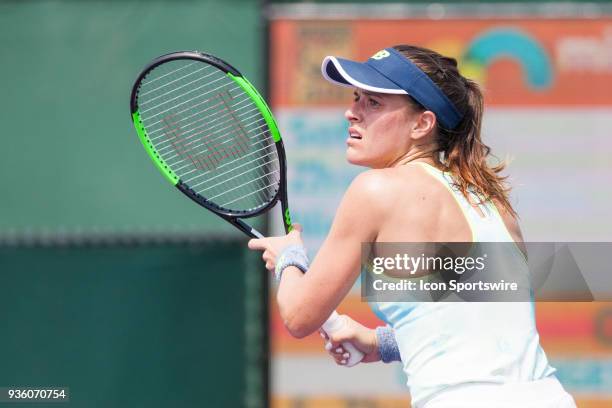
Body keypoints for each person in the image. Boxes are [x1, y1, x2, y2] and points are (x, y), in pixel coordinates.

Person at [248, 45, 576, 407]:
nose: (351, 112)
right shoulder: (492, 202)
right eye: (357, 98)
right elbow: (482, 325)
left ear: (422, 124)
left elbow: (299, 316)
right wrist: (381, 343)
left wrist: (289, 259)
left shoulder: (375, 191)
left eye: (373, 103)